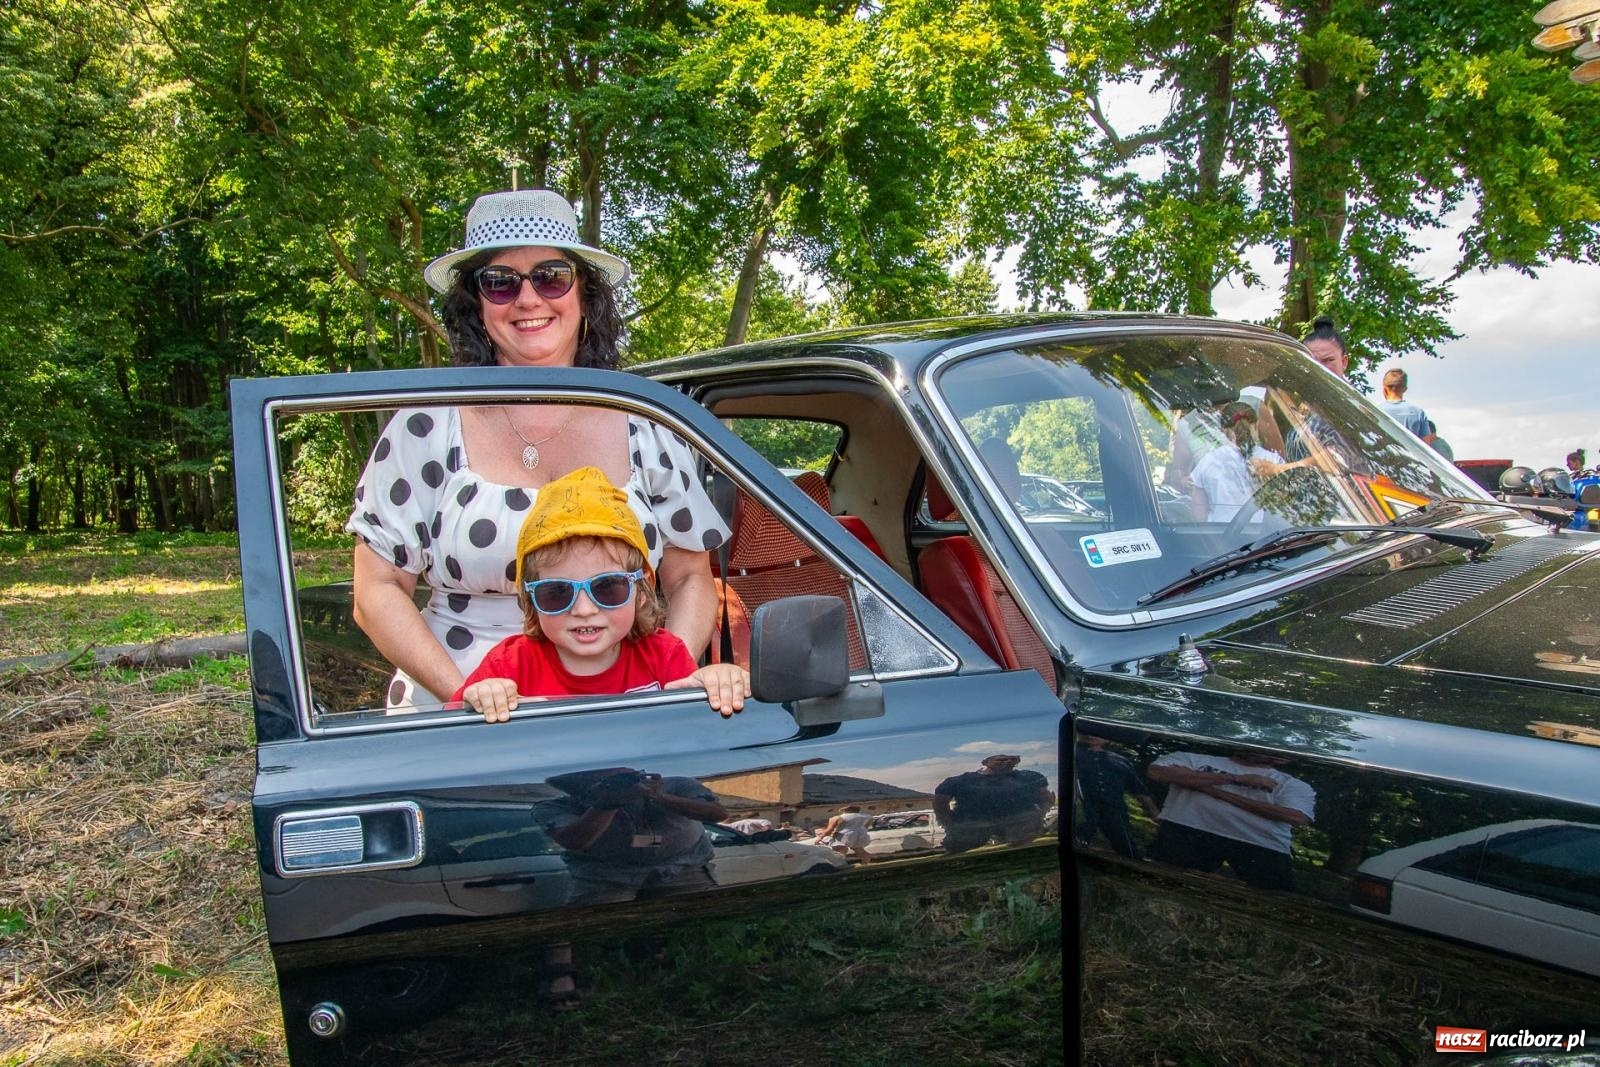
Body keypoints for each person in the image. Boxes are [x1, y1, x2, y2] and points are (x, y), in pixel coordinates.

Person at [346, 189, 727, 708]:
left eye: (551, 276)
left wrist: (656, 691)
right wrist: (464, 698)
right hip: (459, 712)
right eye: (500, 283)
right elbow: (376, 592)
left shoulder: (646, 420)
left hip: (624, 712)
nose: (529, 299)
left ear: (584, 293)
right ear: (476, 305)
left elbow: (690, 579)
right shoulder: (427, 424)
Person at [452, 466, 750, 719]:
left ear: (641, 591)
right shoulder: (509, 666)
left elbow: (694, 730)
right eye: (556, 593)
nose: (583, 609)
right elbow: (449, 733)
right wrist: (481, 700)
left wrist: (717, 682)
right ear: (531, 600)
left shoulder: (664, 656)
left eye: (608, 588)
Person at [1146, 750, 1315, 891]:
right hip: (1187, 832)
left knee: (1275, 900)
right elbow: (1158, 772)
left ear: (1282, 758)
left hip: (1260, 844)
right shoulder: (1192, 758)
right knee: (1161, 884)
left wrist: (1216, 792)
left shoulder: (1293, 785)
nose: (1257, 748)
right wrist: (1235, 779)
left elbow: (1295, 816)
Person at [934, 754, 1053, 853]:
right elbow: (940, 802)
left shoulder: (1030, 777)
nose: (1008, 761)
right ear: (985, 762)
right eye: (1001, 759)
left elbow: (1046, 797)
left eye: (1014, 759)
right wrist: (951, 825)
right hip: (971, 835)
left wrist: (1038, 816)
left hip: (1021, 834)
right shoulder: (961, 781)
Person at [1188, 402, 1285, 522]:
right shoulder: (1274, 462)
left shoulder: (1207, 462)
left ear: (1223, 430)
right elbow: (1283, 508)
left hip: (1221, 536)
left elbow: (1199, 516)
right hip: (1268, 537)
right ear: (1256, 426)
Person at [1074, 730, 1159, 859]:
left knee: (1126, 846)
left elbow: (1138, 789)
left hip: (1114, 811)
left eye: (1097, 731)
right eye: (1085, 730)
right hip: (1083, 809)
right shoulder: (1069, 753)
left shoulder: (1121, 761)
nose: (1090, 734)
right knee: (1078, 842)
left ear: (1109, 737)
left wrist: (1154, 812)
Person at [1378, 368, 1434, 443]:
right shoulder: (1418, 413)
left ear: (1384, 388)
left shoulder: (1376, 410)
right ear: (1405, 389)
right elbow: (1426, 445)